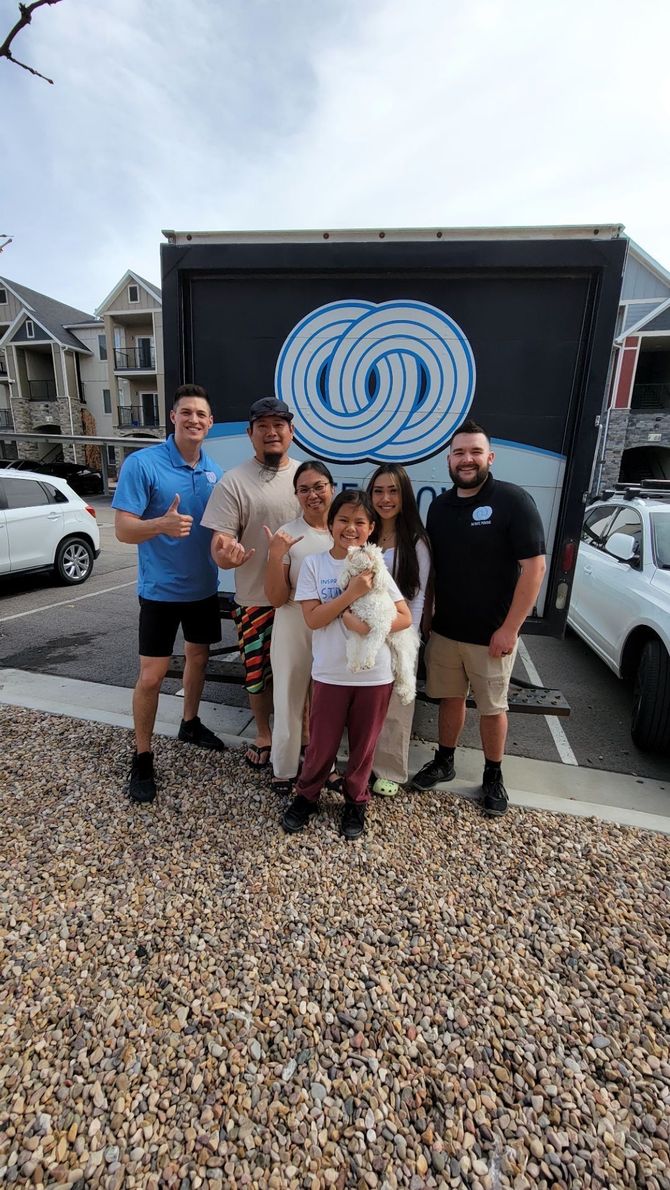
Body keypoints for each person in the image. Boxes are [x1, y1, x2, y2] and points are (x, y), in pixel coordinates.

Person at [409, 419, 546, 817]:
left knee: (492, 708)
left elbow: (534, 569)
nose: (466, 459)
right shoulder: (439, 506)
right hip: (447, 631)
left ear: (490, 457)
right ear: (448, 459)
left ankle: (493, 774)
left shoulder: (513, 501)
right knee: (451, 700)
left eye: (474, 452)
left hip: (493, 635)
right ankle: (445, 760)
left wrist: (510, 628)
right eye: (458, 453)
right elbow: (432, 567)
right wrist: (428, 614)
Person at [113, 384, 225, 805]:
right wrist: (159, 524)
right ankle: (142, 755)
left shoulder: (214, 470)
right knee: (152, 676)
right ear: (173, 417)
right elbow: (123, 529)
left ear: (210, 423)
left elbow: (222, 529)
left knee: (199, 657)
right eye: (187, 412)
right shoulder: (143, 464)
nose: (194, 419)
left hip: (202, 589)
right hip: (159, 592)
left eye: (202, 414)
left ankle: (190, 722)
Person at [282, 489, 412, 840]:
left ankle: (356, 800)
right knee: (321, 745)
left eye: (359, 522)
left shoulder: (377, 566)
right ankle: (307, 796)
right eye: (343, 520)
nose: (350, 528)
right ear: (331, 524)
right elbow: (312, 619)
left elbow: (405, 617)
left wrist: (369, 626)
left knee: (364, 746)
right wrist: (352, 594)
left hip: (375, 675)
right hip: (330, 673)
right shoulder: (315, 565)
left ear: (371, 528)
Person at [201, 397, 299, 768]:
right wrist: (226, 556)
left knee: (302, 673)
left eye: (279, 425)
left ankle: (300, 736)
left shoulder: (308, 479)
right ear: (250, 434)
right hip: (255, 599)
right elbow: (220, 544)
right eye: (263, 426)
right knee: (257, 672)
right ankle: (264, 734)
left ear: (291, 431)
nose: (271, 432)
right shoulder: (233, 483)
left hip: (303, 602)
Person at [263, 460, 338, 797]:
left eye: (319, 486)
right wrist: (275, 555)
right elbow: (276, 598)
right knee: (289, 697)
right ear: (296, 494)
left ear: (332, 488)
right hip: (293, 620)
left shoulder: (346, 531)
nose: (313, 494)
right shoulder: (287, 534)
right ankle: (284, 768)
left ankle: (326, 766)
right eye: (304, 488)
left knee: (329, 702)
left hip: (334, 625)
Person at [367, 464, 432, 796]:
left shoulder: (416, 542)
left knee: (396, 705)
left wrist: (410, 640)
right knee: (363, 701)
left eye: (393, 491)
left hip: (400, 633)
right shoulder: (363, 532)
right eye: (379, 491)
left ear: (404, 495)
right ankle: (360, 762)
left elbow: (417, 597)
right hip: (362, 629)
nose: (385, 498)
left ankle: (389, 768)